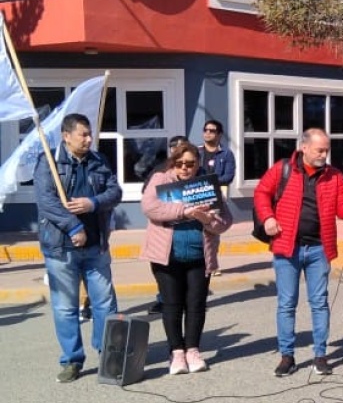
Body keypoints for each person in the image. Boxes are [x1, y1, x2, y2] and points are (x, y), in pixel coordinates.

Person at [254, 128, 343, 377]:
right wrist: (268, 217)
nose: (324, 154)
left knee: (319, 304)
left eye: (327, 150)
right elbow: (261, 193)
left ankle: (320, 355)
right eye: (320, 150)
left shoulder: (334, 176)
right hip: (286, 247)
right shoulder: (283, 169)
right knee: (286, 304)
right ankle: (287, 356)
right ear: (304, 147)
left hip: (319, 248)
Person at [34, 113, 123, 383]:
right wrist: (74, 227)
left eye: (89, 134)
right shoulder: (49, 161)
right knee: (65, 307)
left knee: (105, 303)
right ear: (66, 136)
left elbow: (115, 192)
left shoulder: (99, 161)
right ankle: (72, 359)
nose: (88, 139)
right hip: (61, 249)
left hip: (96, 247)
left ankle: (107, 354)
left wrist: (92, 203)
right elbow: (46, 201)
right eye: (83, 134)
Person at [140, 142, 233, 374]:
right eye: (180, 163)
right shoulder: (161, 180)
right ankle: (176, 352)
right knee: (172, 305)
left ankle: (193, 350)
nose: (185, 168)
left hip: (199, 256)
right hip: (167, 256)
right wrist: (185, 210)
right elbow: (150, 207)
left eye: (190, 164)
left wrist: (206, 219)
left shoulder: (207, 185)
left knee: (196, 305)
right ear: (173, 163)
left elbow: (225, 222)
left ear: (197, 164)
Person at [145, 135, 191, 315]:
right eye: (174, 147)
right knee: (168, 286)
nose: (176, 149)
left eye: (181, 146)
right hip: (165, 238)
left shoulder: (199, 172)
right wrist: (179, 207)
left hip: (192, 242)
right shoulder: (160, 172)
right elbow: (148, 201)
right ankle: (162, 300)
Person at [199, 120, 235, 277]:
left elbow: (228, 176)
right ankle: (205, 265)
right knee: (198, 231)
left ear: (219, 134)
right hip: (197, 194)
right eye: (205, 130)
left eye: (212, 131)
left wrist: (210, 181)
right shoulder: (196, 151)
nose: (207, 133)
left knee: (212, 231)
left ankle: (211, 265)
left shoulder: (226, 154)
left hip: (216, 196)